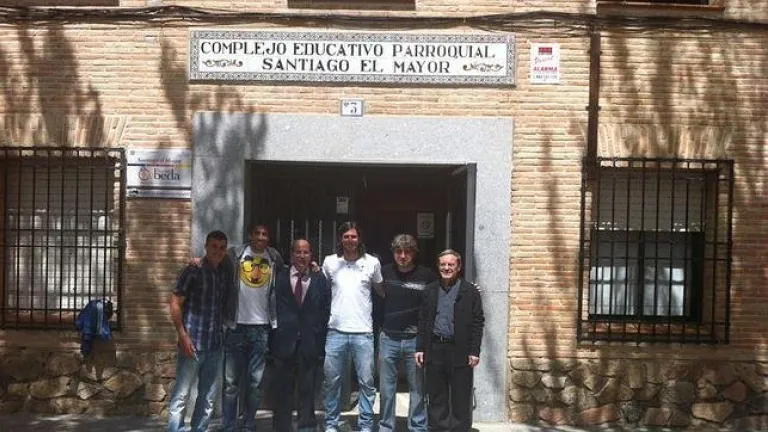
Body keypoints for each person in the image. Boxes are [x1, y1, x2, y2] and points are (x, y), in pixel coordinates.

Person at [322, 221, 385, 432]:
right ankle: (331, 424)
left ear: (360, 239)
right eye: (346, 236)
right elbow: (321, 290)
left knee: (367, 383)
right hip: (335, 331)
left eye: (354, 236)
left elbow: (382, 292)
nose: (350, 240)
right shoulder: (330, 262)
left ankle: (365, 425)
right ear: (340, 239)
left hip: (363, 332)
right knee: (332, 382)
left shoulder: (372, 262)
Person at [221, 223, 284, 432]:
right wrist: (198, 262)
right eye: (257, 233)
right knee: (231, 382)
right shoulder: (235, 255)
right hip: (236, 326)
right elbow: (216, 266)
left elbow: (283, 281)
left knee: (255, 383)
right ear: (250, 235)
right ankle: (228, 425)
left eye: (265, 234)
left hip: (261, 328)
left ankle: (249, 424)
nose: (261, 237)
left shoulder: (274, 257)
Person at [166, 230, 231, 432]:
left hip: (215, 344)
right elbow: (175, 303)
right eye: (214, 246)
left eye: (222, 248)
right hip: (192, 343)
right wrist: (182, 335)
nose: (217, 251)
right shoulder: (193, 271)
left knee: (208, 396)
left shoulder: (224, 273)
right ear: (206, 247)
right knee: (182, 394)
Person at [415, 249, 485, 432]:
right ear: (438, 266)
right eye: (443, 264)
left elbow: (478, 322)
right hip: (435, 348)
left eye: (451, 264)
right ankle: (438, 428)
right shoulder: (430, 290)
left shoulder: (470, 292)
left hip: (460, 349)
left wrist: (474, 351)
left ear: (458, 267)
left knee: (461, 395)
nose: (446, 268)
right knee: (436, 395)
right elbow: (422, 320)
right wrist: (420, 347)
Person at [270, 238, 332, 432]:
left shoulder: (319, 279)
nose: (302, 256)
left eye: (306, 252)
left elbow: (325, 308)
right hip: (284, 342)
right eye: (298, 252)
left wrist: (318, 332)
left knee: (307, 389)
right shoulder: (279, 277)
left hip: (309, 342)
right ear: (292, 255)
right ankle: (282, 428)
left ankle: (306, 427)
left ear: (311, 255)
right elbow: (271, 304)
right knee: (283, 391)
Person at [378, 234, 437, 432]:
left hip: (415, 340)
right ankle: (386, 426)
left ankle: (417, 426)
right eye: (398, 251)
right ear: (393, 252)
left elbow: (436, 301)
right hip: (389, 337)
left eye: (407, 252)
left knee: (418, 387)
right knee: (386, 388)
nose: (403, 256)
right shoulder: (384, 272)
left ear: (414, 253)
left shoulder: (427, 275)